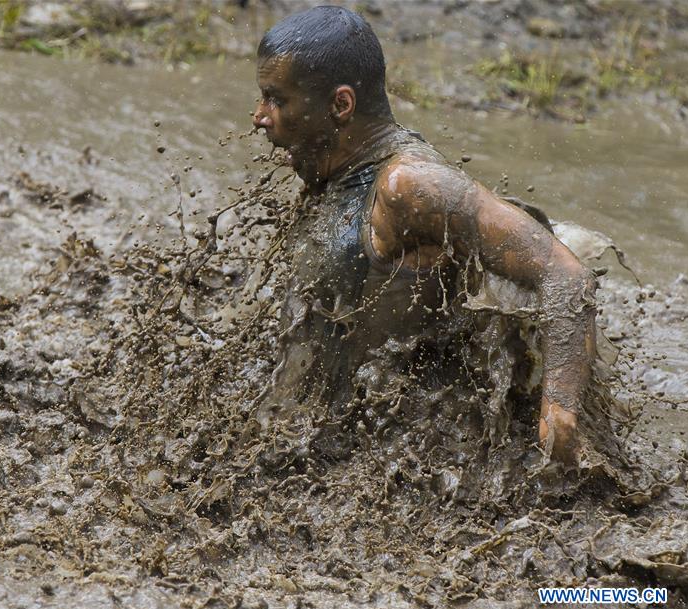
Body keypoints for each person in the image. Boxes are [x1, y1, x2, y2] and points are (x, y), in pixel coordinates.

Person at [250, 6, 597, 465]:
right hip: (332, 438)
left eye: (276, 99)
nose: (259, 116)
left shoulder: (408, 187)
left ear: (340, 105)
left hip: (408, 456)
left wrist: (560, 417)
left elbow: (565, 274)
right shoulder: (330, 168)